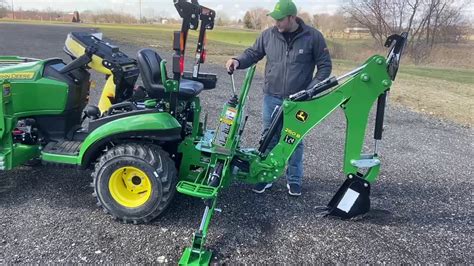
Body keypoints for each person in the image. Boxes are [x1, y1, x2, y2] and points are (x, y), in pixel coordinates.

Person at [226, 0, 332, 196]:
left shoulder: (313, 37)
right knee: (269, 137)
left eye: (281, 20)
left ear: (292, 18)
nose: (277, 23)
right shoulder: (268, 35)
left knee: (294, 138)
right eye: (275, 19)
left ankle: (294, 180)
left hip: (299, 100)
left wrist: (309, 90)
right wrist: (237, 60)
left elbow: (324, 66)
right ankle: (266, 176)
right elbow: (253, 53)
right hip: (272, 97)